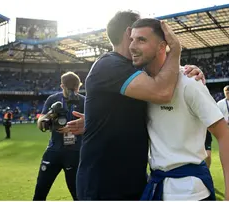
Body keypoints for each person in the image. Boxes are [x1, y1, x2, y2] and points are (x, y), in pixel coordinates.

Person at [65, 11, 204, 200]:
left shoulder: (133, 68)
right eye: (138, 36)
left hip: (131, 182)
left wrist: (188, 71)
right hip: (104, 185)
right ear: (129, 32)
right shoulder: (110, 65)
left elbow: (163, 75)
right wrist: (176, 50)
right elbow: (162, 92)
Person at [128, 19, 229, 200]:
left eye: (141, 40)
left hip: (190, 191)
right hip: (158, 186)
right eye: (131, 40)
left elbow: (224, 135)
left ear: (162, 46)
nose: (132, 46)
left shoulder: (189, 83)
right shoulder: (141, 86)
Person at [33, 72, 85, 201]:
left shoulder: (85, 101)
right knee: (40, 193)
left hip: (75, 153)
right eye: (71, 88)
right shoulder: (53, 99)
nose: (74, 91)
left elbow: (93, 126)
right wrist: (50, 114)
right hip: (53, 151)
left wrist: (77, 127)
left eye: (76, 87)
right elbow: (40, 124)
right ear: (62, 86)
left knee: (78, 195)